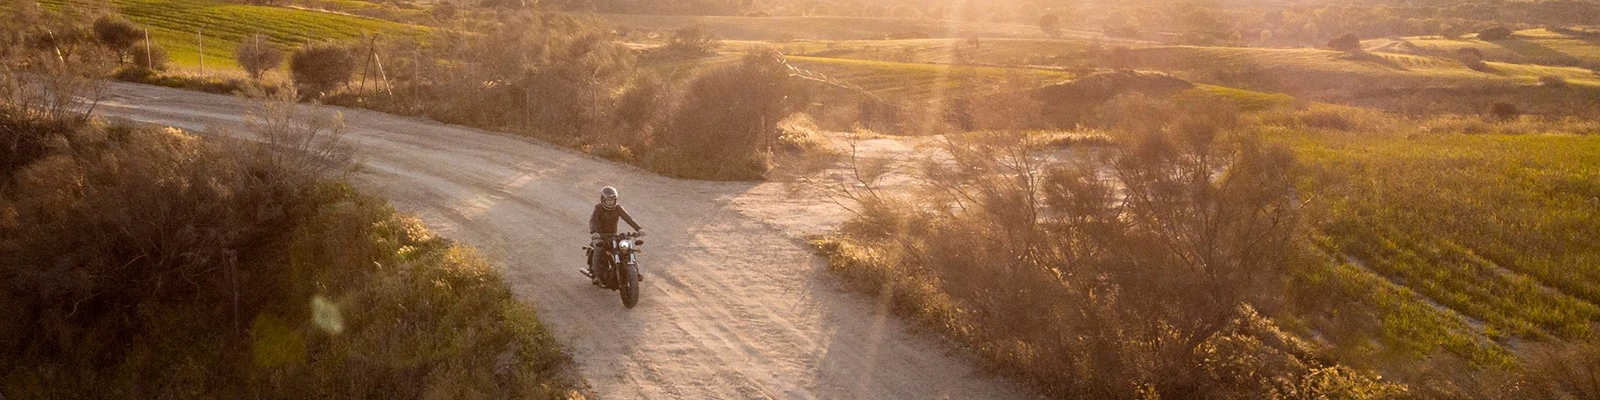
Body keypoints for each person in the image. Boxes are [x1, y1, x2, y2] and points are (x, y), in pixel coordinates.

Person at [587, 186, 643, 284]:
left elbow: (628, 218)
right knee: (598, 248)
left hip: (613, 235)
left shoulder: (618, 208)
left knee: (627, 249)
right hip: (600, 236)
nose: (610, 202)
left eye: (612, 200)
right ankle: (596, 275)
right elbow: (593, 220)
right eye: (608, 200)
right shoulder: (599, 208)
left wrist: (639, 229)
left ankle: (636, 273)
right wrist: (594, 232)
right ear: (603, 199)